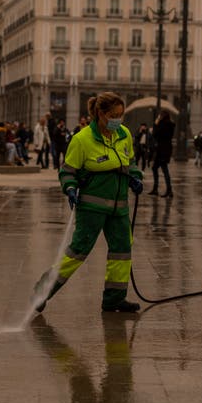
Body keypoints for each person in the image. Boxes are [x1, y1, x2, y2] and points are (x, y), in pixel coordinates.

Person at [34, 91, 142, 314]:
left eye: (121, 115)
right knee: (78, 252)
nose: (118, 120)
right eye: (114, 115)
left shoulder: (124, 135)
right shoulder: (82, 139)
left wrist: (136, 177)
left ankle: (114, 299)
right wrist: (70, 188)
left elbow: (130, 161)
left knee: (122, 252)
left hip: (119, 207)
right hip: (91, 207)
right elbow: (67, 171)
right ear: (101, 114)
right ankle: (42, 291)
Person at [150, 110, 175, 198]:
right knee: (157, 168)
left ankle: (168, 190)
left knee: (163, 169)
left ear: (162, 116)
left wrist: (155, 124)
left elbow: (154, 134)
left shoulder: (162, 124)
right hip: (167, 149)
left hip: (161, 150)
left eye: (160, 115)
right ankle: (161, 189)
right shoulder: (171, 125)